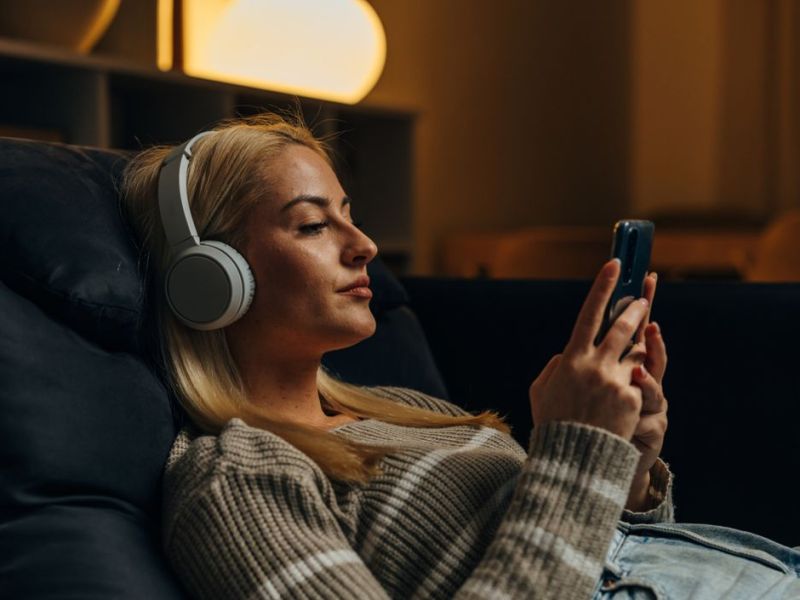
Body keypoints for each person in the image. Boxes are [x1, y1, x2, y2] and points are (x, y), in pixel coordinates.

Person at [121, 112, 800, 599]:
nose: (364, 245)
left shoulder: (411, 412)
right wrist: (576, 449)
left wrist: (628, 466)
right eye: (312, 224)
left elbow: (602, 560)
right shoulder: (235, 477)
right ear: (210, 277)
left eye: (349, 213)